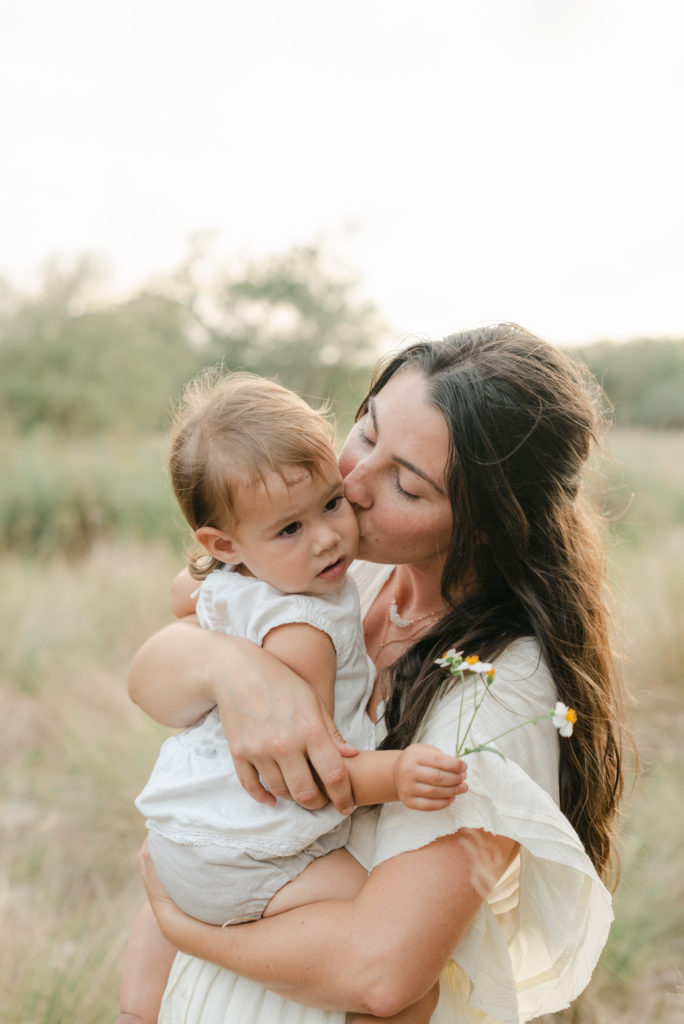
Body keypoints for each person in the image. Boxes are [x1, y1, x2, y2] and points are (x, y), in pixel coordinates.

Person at [129, 324, 626, 1024]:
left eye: (406, 483)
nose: (351, 484)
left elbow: (383, 975)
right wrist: (228, 666)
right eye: (366, 432)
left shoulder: (498, 687)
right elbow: (154, 672)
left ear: (486, 525)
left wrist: (188, 929)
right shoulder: (343, 569)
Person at [120, 371, 468, 1023]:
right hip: (248, 848)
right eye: (290, 530)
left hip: (178, 837)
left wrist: (242, 557)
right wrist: (398, 773)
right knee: (407, 983)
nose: (327, 538)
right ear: (225, 542)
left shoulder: (230, 571)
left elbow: (183, 594)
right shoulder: (306, 631)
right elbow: (308, 768)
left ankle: (136, 1013)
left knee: (165, 916)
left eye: (332, 504)